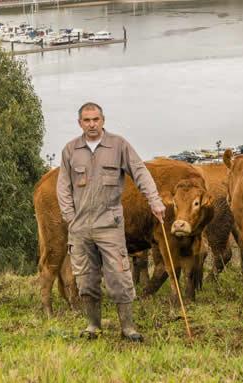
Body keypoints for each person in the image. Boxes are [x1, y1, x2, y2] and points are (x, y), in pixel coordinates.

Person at [57, 102, 166, 341]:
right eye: (87, 120)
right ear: (80, 123)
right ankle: (93, 325)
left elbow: (140, 172)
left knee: (119, 276)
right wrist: (69, 217)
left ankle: (128, 327)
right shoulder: (70, 150)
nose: (92, 124)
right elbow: (63, 187)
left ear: (103, 120)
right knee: (86, 278)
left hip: (110, 225)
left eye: (96, 119)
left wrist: (155, 201)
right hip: (81, 227)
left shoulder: (119, 146)